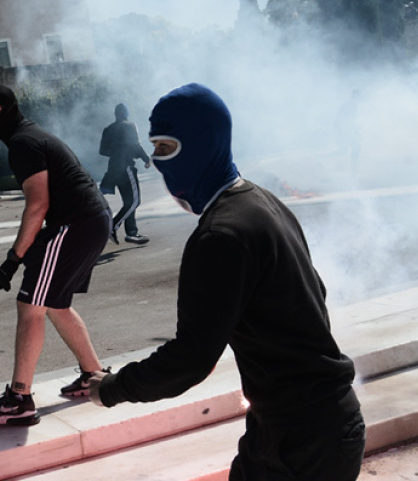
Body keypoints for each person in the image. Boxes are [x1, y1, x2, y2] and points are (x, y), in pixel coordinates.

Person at [86, 83, 364, 480]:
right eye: (155, 148)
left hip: (301, 439)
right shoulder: (263, 201)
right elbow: (316, 294)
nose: (159, 161)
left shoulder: (220, 236)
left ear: (203, 143)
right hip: (306, 425)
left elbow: (191, 358)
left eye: (166, 147)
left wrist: (112, 388)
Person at [0, 83, 114, 426]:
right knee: (54, 303)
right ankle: (94, 376)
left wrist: (14, 257)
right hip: (91, 219)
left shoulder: (23, 143)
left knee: (30, 305)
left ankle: (19, 398)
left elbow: (38, 204)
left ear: (12, 108)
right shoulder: (31, 135)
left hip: (75, 223)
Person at [98, 102, 153, 245]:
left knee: (128, 201)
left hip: (113, 169)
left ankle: (132, 233)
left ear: (115, 114)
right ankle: (112, 226)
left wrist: (117, 152)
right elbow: (136, 145)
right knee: (134, 201)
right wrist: (146, 159)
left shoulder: (108, 129)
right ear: (126, 113)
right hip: (126, 167)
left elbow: (102, 151)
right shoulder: (130, 125)